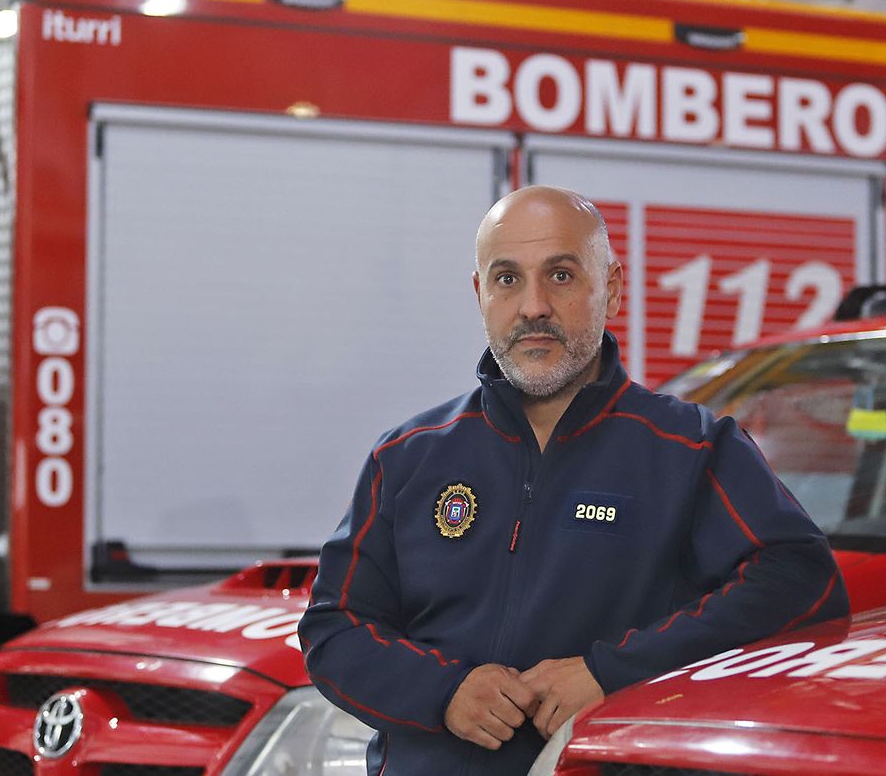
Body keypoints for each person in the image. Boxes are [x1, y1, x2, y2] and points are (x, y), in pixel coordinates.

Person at [301, 185, 848, 775]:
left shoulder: (691, 449)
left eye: (560, 276)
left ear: (611, 289)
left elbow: (800, 582)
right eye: (507, 279)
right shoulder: (408, 457)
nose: (533, 306)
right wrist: (443, 693)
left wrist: (611, 674)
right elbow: (335, 628)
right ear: (480, 293)